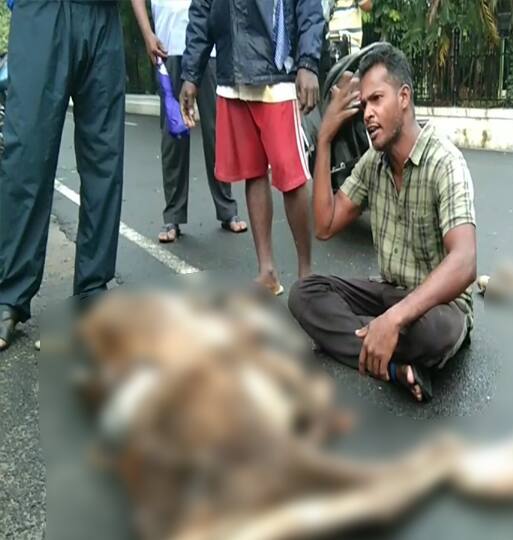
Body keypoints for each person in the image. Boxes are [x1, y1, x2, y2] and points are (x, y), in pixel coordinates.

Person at [289, 44, 477, 402]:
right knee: (304, 294)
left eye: (377, 99)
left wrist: (394, 320)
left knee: (432, 333)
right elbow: (325, 225)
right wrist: (325, 138)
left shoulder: (445, 162)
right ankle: (393, 366)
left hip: (439, 309)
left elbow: (465, 263)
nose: (368, 114)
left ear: (404, 97)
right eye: (364, 106)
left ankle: (372, 337)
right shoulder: (373, 163)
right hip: (389, 292)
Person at [0, 0, 125, 351]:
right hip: (41, 11)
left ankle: (92, 294)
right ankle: (9, 295)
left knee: (104, 161)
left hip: (103, 16)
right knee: (26, 155)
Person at [180, 0, 324, 296]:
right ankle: (267, 271)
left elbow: (309, 6)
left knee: (293, 177)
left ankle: (306, 277)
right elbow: (202, 11)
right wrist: (191, 74)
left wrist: (308, 62)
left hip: (277, 72)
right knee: (253, 172)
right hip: (233, 74)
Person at [130, 0, 247, 243]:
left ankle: (227, 209)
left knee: (218, 132)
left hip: (210, 48)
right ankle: (173, 215)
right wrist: (147, 34)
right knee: (174, 133)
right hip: (167, 45)